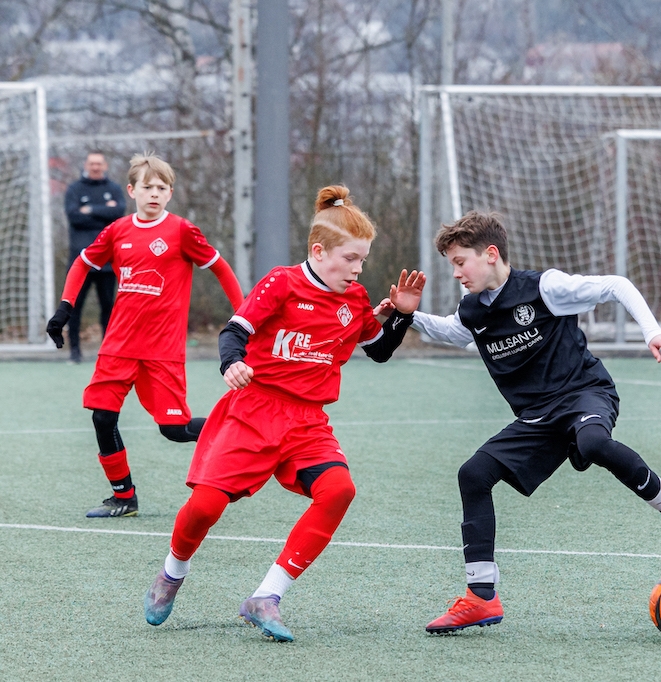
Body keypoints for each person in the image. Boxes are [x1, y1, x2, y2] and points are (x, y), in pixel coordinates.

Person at [142, 185, 425, 643]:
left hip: (307, 421)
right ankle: (172, 572)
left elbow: (378, 350)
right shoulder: (282, 282)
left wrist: (403, 316)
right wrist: (232, 363)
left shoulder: (354, 299)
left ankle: (266, 596)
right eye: (350, 258)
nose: (358, 269)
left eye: (363, 260)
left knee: (338, 490)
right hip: (253, 410)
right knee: (205, 507)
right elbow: (234, 331)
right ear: (319, 251)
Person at [396, 210, 661, 634]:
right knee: (473, 474)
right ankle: (481, 597)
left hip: (584, 393)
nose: (457, 273)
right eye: (453, 265)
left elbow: (617, 285)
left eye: (461, 262)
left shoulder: (545, 288)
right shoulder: (473, 310)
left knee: (593, 443)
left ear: (491, 254)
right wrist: (408, 314)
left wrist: (653, 332)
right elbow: (454, 332)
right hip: (538, 417)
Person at [46, 153, 245, 517]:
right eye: (147, 187)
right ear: (131, 190)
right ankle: (124, 497)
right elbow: (82, 263)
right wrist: (64, 308)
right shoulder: (117, 230)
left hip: (162, 350)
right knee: (102, 417)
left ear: (170, 194)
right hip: (118, 346)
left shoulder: (182, 231)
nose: (154, 193)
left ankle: (242, 434)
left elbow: (220, 268)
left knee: (174, 429)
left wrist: (244, 316)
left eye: (162, 188)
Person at [63, 151, 125, 363]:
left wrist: (89, 209)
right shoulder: (74, 189)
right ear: (86, 165)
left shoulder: (114, 189)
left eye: (99, 163)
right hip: (81, 262)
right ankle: (74, 352)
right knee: (74, 306)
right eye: (92, 163)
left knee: (108, 307)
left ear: (104, 165)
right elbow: (74, 217)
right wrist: (103, 213)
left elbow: (118, 214)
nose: (95, 167)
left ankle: (108, 353)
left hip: (108, 262)